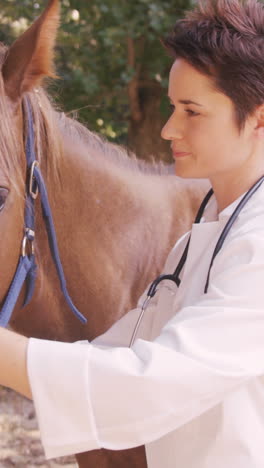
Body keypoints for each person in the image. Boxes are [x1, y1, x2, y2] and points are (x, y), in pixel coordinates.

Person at [1, 0, 264, 466]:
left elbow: (147, 383)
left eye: (191, 111)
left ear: (259, 118)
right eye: (171, 107)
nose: (167, 129)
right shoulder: (202, 237)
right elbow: (120, 351)